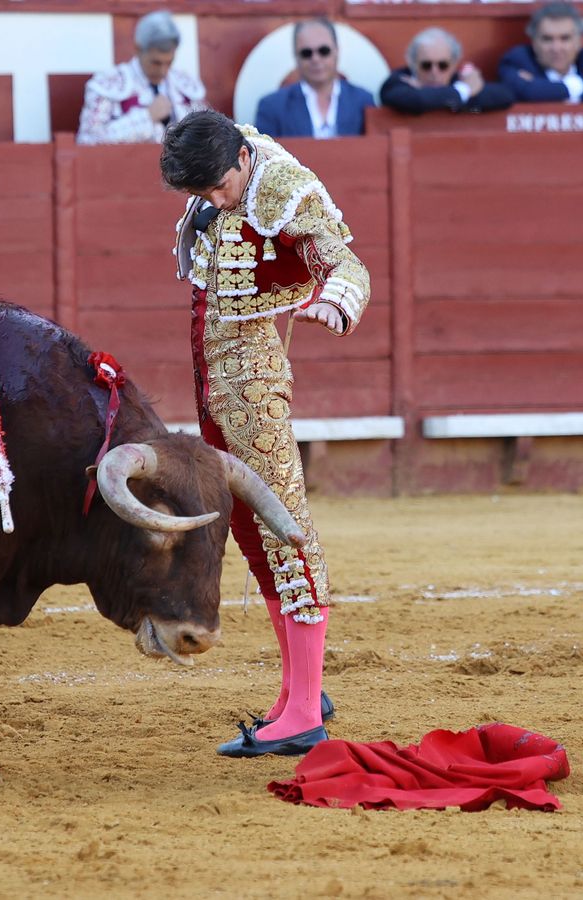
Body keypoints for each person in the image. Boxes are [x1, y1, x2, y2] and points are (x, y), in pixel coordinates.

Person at [161, 109, 371, 758]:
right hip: (213, 379)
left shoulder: (280, 187)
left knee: (286, 529)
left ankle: (304, 713)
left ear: (243, 162)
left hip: (252, 382)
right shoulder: (225, 163)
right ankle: (299, 693)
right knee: (252, 531)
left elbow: (345, 262)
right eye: (202, 192)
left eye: (220, 187)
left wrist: (333, 302)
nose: (215, 200)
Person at [77, 10, 206, 146]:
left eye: (169, 62)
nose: (163, 71)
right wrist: (147, 117)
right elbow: (87, 139)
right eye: (155, 63)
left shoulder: (186, 84)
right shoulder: (108, 83)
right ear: (138, 48)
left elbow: (208, 136)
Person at [254, 17, 376, 140]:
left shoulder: (363, 100)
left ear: (337, 51)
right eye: (306, 53)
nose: (315, 59)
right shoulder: (272, 106)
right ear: (296, 57)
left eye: (324, 51)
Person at [499, 1, 583, 104]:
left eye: (565, 38)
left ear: (578, 41)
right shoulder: (518, 61)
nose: (556, 48)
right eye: (547, 39)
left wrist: (547, 89)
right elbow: (528, 92)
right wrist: (577, 86)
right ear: (534, 42)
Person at [379, 27, 513, 115]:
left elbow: (505, 95)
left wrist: (445, 96)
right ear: (412, 63)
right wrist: (464, 91)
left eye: (442, 65)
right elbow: (416, 101)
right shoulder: (398, 80)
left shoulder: (457, 80)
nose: (434, 72)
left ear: (454, 64)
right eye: (426, 65)